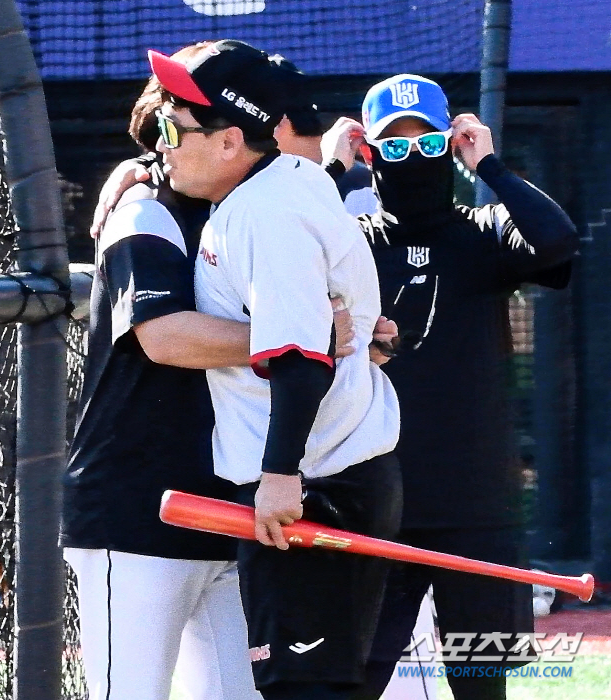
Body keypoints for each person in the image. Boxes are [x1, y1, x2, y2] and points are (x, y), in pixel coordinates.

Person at [148, 39, 401, 700]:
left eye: (173, 129)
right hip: (331, 473)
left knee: (304, 690)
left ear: (230, 141)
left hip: (315, 483)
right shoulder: (278, 185)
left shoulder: (265, 213)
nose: (161, 145)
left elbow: (299, 359)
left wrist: (280, 475)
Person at [321, 74, 579, 700]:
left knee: (480, 685)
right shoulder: (351, 238)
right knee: (350, 683)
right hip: (375, 498)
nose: (413, 158)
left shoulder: (486, 229)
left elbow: (557, 242)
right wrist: (330, 171)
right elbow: (280, 249)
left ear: (452, 143)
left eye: (429, 144)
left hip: (478, 507)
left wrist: (488, 164)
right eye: (395, 146)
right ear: (370, 151)